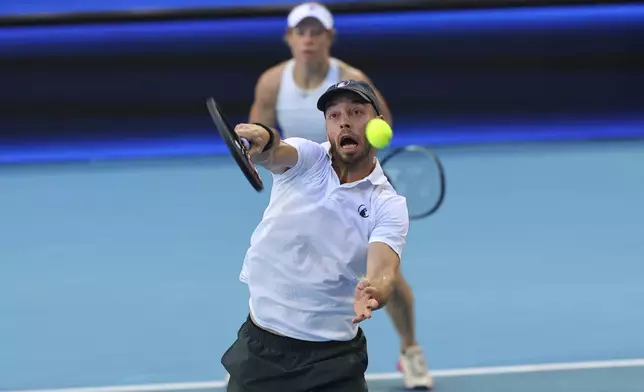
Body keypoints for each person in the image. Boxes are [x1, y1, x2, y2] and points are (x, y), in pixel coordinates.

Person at [247, 2, 433, 389]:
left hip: (354, 178)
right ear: (290, 38)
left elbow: (384, 128)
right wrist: (261, 147)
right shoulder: (272, 81)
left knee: (389, 277)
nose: (309, 39)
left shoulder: (352, 77)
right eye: (302, 32)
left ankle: (410, 348)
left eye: (317, 31)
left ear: (329, 37)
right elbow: (267, 134)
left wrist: (376, 287)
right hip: (307, 169)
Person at [221, 80, 408, 391]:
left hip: (332, 363)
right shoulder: (309, 159)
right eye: (333, 116)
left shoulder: (387, 204)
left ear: (378, 124)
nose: (344, 120)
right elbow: (275, 151)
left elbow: (384, 271)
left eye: (356, 111)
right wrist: (263, 138)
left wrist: (374, 291)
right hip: (261, 349)